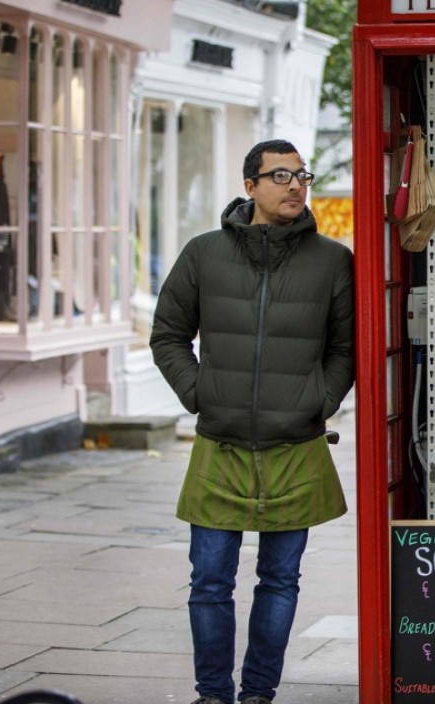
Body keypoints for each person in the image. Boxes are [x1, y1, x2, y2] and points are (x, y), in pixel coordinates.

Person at [150, 139, 355, 704]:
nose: (295, 186)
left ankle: (259, 693)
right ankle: (213, 694)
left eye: (302, 176)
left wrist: (319, 399)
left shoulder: (333, 260)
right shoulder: (203, 254)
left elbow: (346, 349)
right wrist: (201, 395)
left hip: (297, 446)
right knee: (209, 583)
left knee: (280, 581)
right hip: (220, 444)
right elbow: (167, 334)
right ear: (250, 186)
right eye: (281, 175)